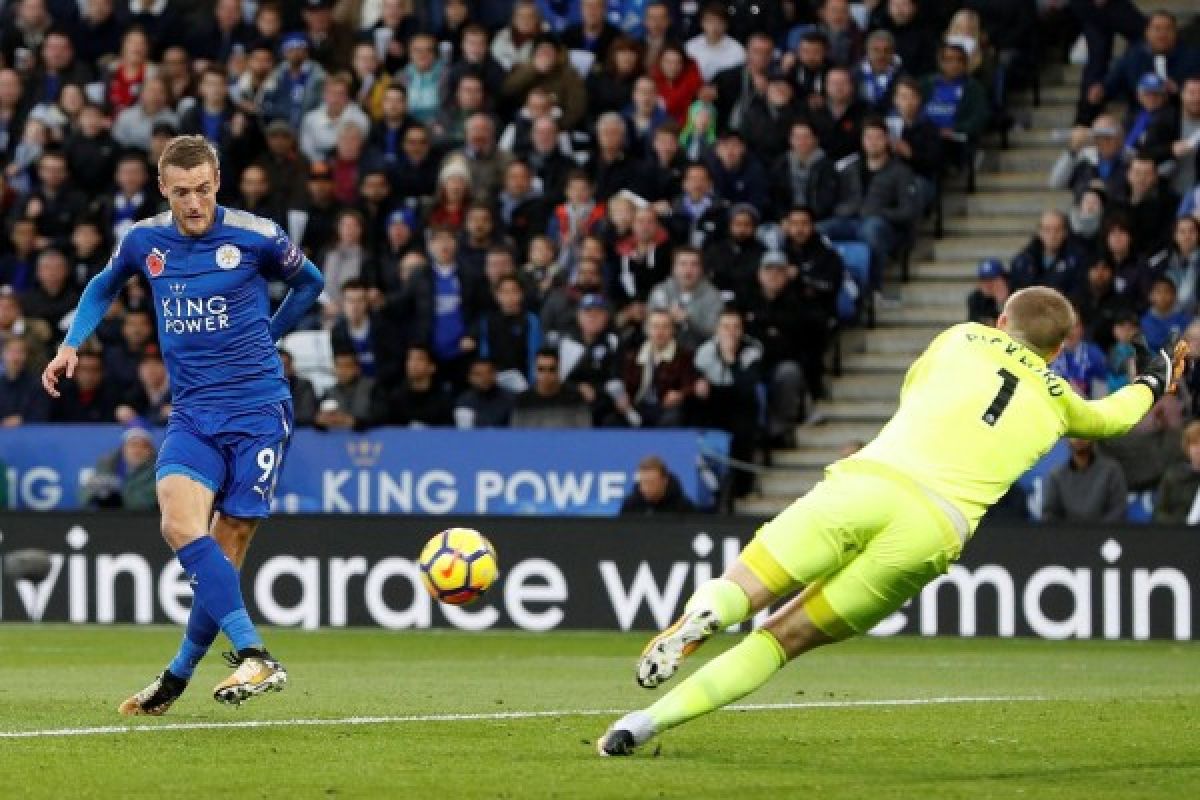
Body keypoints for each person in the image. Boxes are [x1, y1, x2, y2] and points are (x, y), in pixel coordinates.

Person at [597, 287, 1185, 756]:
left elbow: (914, 388)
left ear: (1002, 320)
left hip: (871, 480)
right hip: (933, 526)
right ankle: (642, 725)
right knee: (784, 638)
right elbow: (1111, 420)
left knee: (751, 583)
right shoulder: (1061, 398)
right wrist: (1152, 382)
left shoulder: (963, 337)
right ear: (1058, 351)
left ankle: (707, 615)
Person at [41, 135, 325, 714]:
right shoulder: (146, 240)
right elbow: (104, 283)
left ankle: (176, 675)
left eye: (203, 190)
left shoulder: (255, 234)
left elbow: (310, 282)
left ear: (217, 182)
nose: (194, 203)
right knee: (178, 521)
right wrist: (72, 343)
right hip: (193, 412)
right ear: (162, 190)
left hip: (257, 409)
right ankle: (254, 652)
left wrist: (267, 334)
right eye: (181, 193)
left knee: (228, 541)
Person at [1041, 438, 1129, 523]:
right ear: (1066, 439)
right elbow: (1050, 515)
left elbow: (1118, 510)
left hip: (1106, 535)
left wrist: (1097, 533)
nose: (1079, 437)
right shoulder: (1056, 476)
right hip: (1067, 536)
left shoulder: (1112, 471)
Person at [83, 424, 159, 511]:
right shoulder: (108, 463)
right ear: (124, 448)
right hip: (106, 518)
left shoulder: (158, 471)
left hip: (142, 520)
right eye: (133, 445)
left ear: (151, 450)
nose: (137, 451)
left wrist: (117, 490)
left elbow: (146, 502)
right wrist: (97, 492)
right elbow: (84, 496)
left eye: (144, 446)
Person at [510, 346, 591, 428]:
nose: (546, 375)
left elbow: (585, 433)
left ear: (559, 369)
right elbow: (516, 435)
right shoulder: (523, 401)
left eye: (551, 369)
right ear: (534, 370)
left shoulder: (575, 398)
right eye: (541, 369)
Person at [1154, 420, 1200, 524]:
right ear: (1187, 448)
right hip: (1176, 534)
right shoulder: (1172, 476)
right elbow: (1159, 513)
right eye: (1194, 444)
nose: (1198, 450)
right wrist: (1181, 524)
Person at [619, 454, 697, 515]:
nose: (646, 489)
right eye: (643, 483)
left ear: (664, 481)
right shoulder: (630, 506)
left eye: (651, 483)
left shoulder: (684, 508)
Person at [967, 258, 1011, 327]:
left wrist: (1002, 302)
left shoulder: (1015, 295)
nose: (988, 285)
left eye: (992, 279)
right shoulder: (976, 299)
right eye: (984, 280)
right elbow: (974, 325)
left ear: (1003, 279)